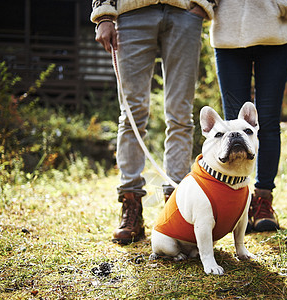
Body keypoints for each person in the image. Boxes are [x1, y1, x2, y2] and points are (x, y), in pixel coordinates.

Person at [91, 0, 217, 244]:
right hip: (131, 12)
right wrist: (104, 15)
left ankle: (176, 209)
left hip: (184, 13)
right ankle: (132, 208)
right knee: (131, 115)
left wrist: (204, 4)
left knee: (181, 114)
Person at [210, 0, 287, 232]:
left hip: (275, 31)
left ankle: (263, 201)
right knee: (233, 124)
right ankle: (237, 203)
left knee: (268, 121)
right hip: (228, 33)